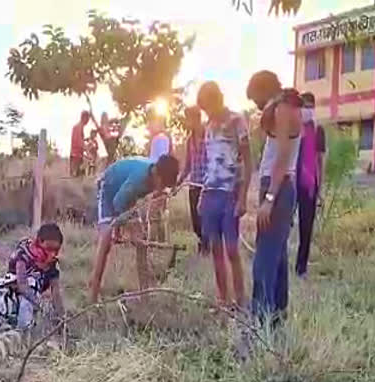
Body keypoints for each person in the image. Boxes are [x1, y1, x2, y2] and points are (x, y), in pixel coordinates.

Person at [246, 70, 302, 327]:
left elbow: (281, 157)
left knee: (264, 262)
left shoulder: (282, 109)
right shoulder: (287, 107)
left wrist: (269, 198)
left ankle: (260, 325)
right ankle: (276, 322)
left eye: (257, 99)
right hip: (282, 187)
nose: (257, 106)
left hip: (278, 188)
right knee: (277, 260)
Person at [88, 155, 179, 303]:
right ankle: (93, 295)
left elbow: (129, 199)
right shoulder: (139, 178)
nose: (162, 188)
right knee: (106, 240)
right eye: (163, 184)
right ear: (156, 173)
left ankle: (145, 295)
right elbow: (117, 203)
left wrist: (132, 227)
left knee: (140, 240)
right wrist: (123, 226)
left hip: (126, 196)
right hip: (109, 189)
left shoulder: (154, 177)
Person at [196, 82, 253, 309]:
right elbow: (210, 165)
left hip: (230, 193)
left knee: (231, 249)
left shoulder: (237, 121)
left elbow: (249, 163)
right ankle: (223, 299)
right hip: (210, 193)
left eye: (208, 106)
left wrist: (243, 197)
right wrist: (202, 194)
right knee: (216, 249)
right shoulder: (208, 126)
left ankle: (240, 300)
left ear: (217, 99)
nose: (207, 112)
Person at [0, 223, 64, 329]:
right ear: (39, 242)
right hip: (9, 295)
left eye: (56, 250)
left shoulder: (52, 266)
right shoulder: (23, 255)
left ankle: (24, 331)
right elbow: (23, 286)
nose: (52, 254)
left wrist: (61, 319)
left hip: (29, 304)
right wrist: (40, 304)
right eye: (49, 248)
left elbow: (56, 295)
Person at [295, 92, 326, 278]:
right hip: (291, 182)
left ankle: (301, 267)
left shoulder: (318, 130)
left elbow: (320, 160)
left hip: (309, 184)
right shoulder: (294, 128)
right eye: (304, 106)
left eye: (310, 106)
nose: (307, 110)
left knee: (306, 228)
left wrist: (320, 187)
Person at [176, 106, 207, 254]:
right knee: (195, 220)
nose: (187, 123)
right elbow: (188, 165)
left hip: (207, 185)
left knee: (205, 218)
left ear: (197, 118)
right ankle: (202, 245)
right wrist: (179, 182)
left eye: (188, 119)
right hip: (194, 185)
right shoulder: (189, 140)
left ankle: (207, 248)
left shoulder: (209, 137)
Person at [70, 111, 90, 177]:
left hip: (78, 155)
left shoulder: (78, 127)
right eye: (87, 118)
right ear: (84, 117)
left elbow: (78, 140)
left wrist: (85, 140)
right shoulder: (78, 127)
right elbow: (79, 142)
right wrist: (88, 152)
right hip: (76, 156)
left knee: (79, 177)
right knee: (75, 179)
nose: (88, 121)